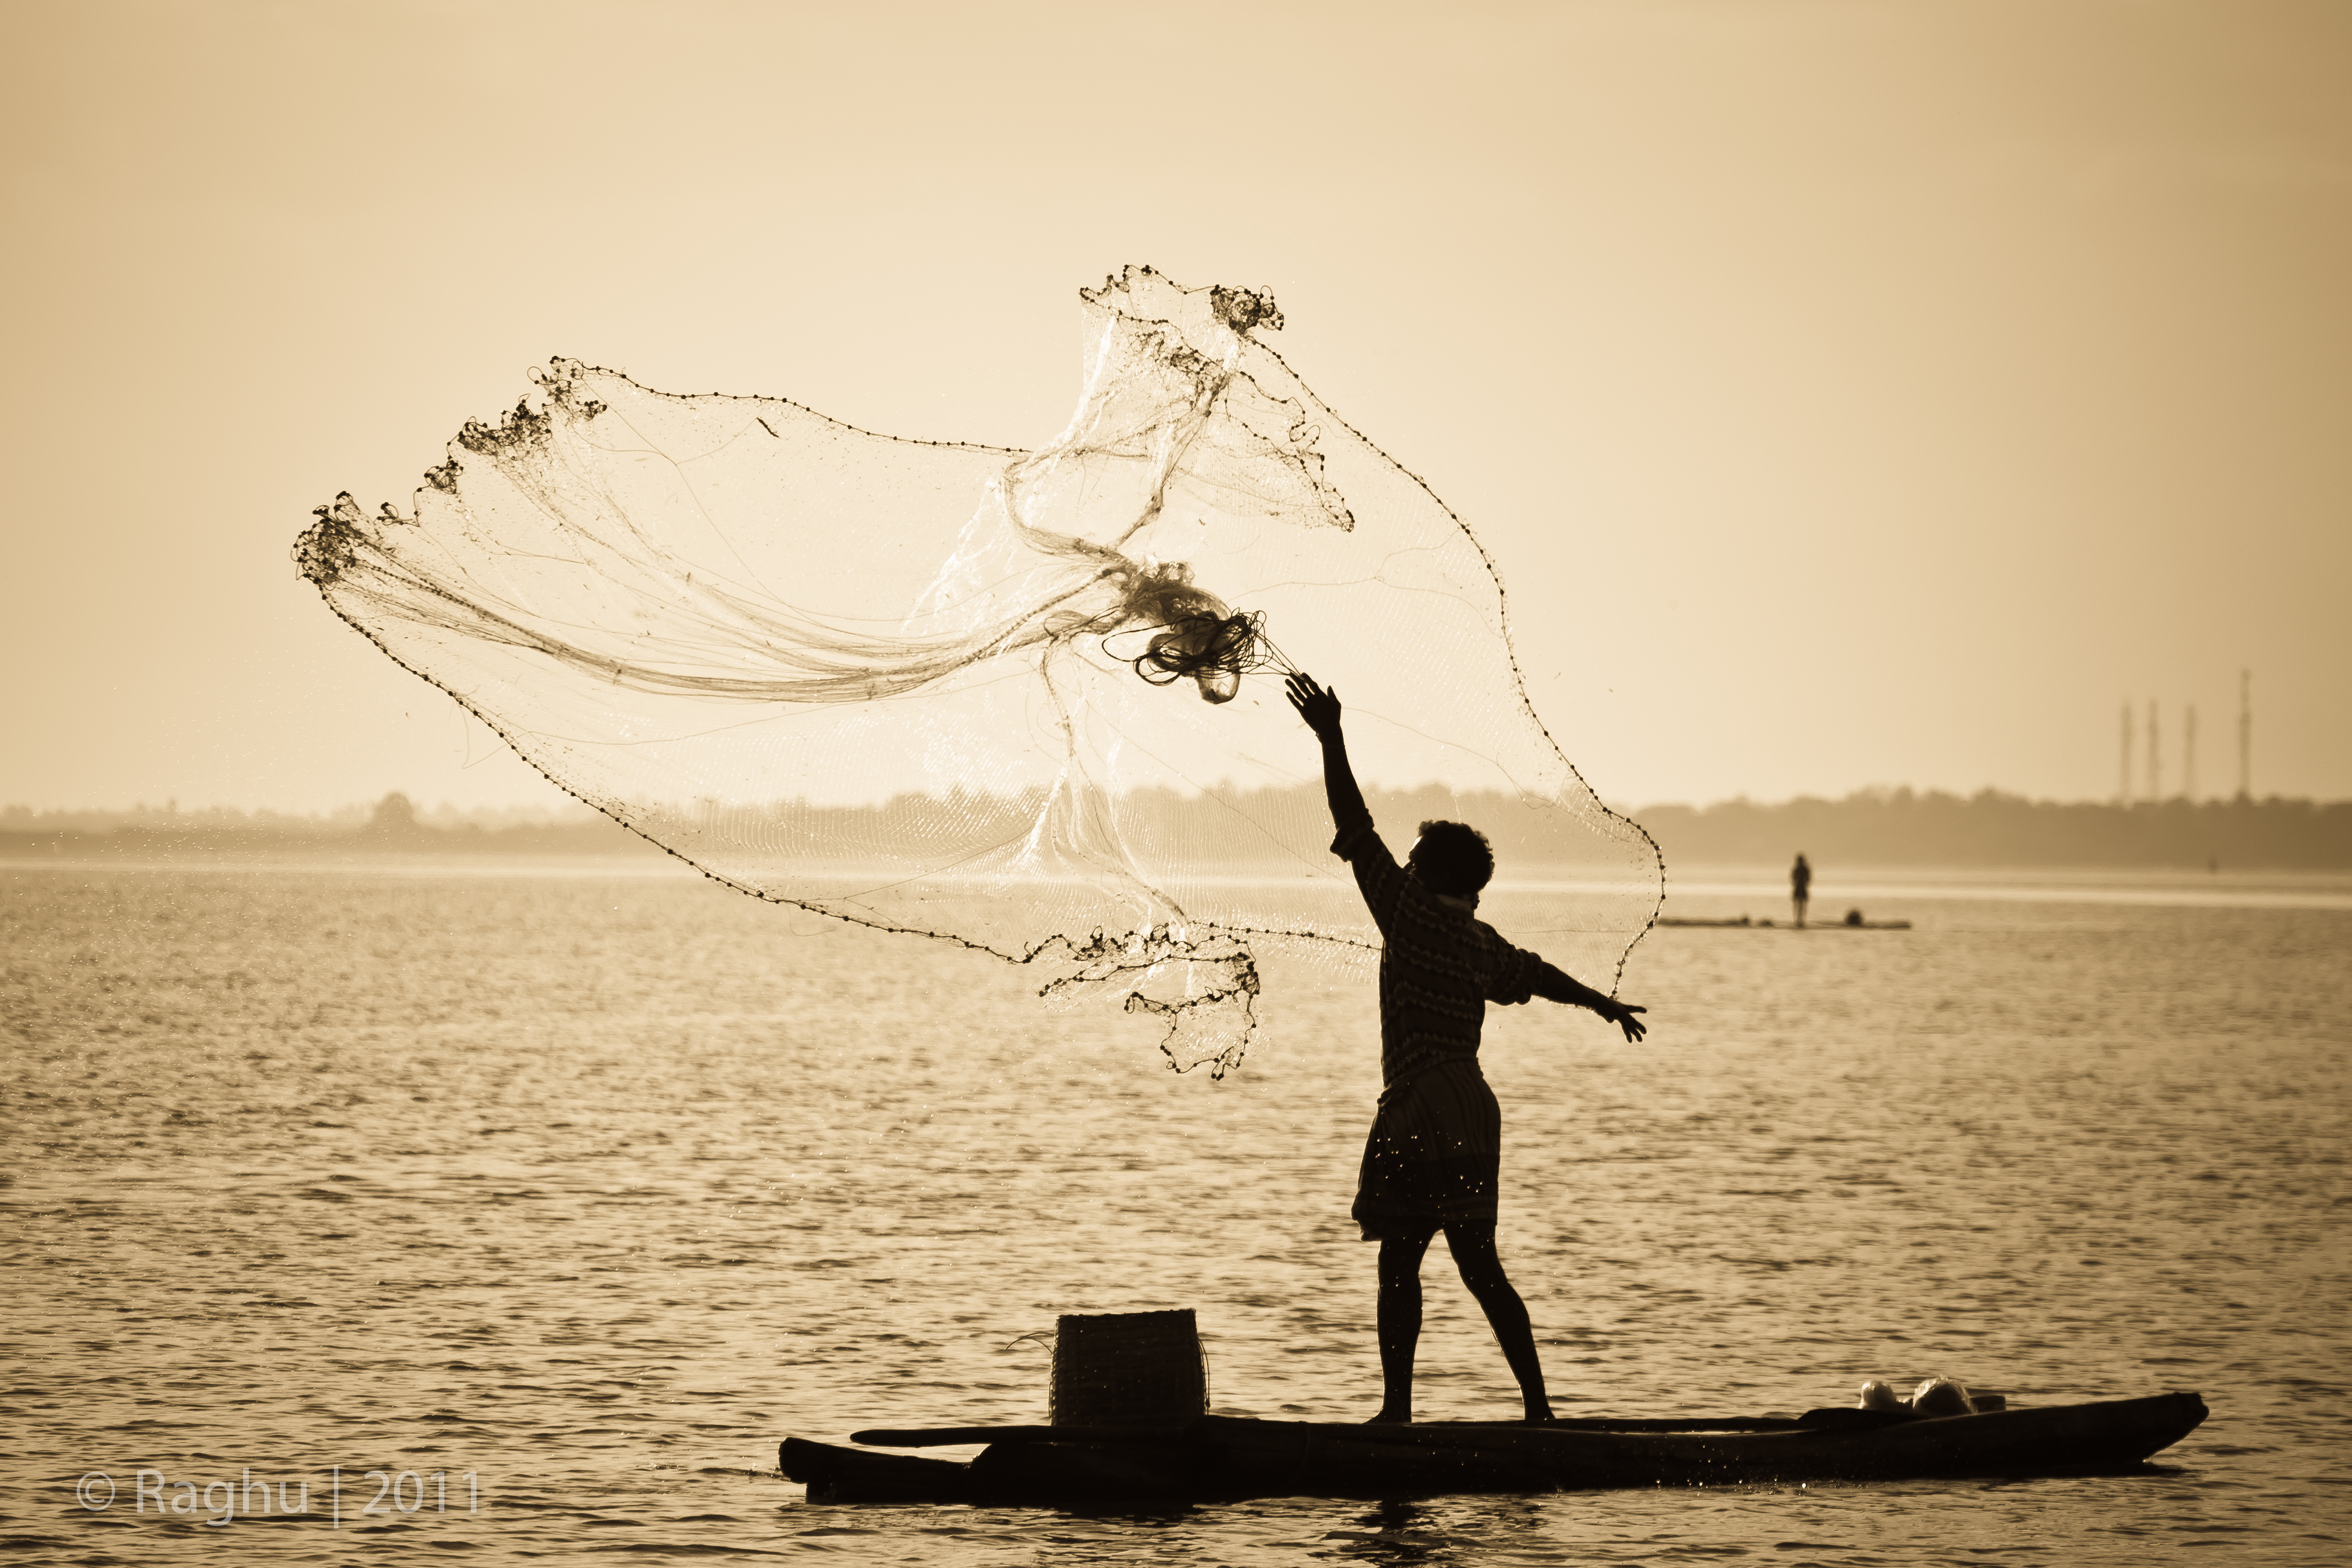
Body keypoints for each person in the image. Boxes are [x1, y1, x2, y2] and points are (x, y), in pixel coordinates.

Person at [1286, 672, 1648, 1425]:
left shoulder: (1410, 913)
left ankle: (1395, 1413)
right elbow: (1538, 973)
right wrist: (1601, 1003)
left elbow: (1354, 826)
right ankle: (1539, 1411)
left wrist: (1331, 737)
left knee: (1398, 1262)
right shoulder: (1480, 940)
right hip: (1472, 1104)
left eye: (1415, 861)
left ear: (1428, 875)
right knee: (1479, 1266)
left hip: (1421, 1100)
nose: (1405, 866)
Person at [1791, 853, 1812, 929]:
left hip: (1801, 889)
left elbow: (1793, 880)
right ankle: (1799, 921)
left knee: (1800, 906)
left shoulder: (1797, 869)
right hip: (1801, 889)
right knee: (1800, 906)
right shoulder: (1803, 869)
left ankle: (1800, 921)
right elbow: (1808, 880)